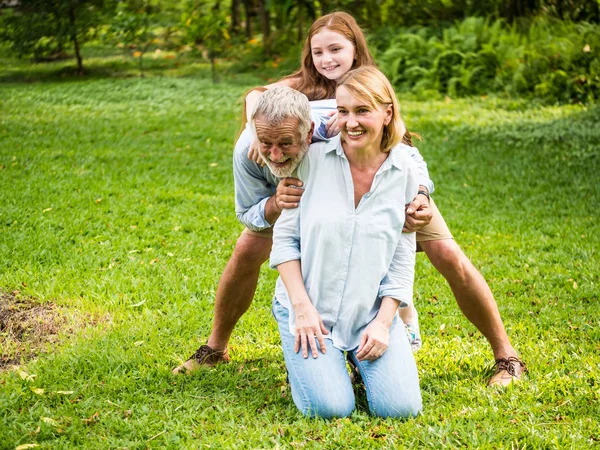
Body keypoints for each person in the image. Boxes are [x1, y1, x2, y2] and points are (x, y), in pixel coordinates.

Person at [173, 12, 525, 387]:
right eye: (318, 51)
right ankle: (215, 347)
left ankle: (506, 356)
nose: (327, 59)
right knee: (247, 251)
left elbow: (403, 149)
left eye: (336, 49)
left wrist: (420, 193)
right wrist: (257, 130)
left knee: (449, 255)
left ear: (356, 48)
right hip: (307, 192)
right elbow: (258, 97)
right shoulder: (297, 90)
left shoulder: (371, 87)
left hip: (383, 186)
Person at [270, 68, 422, 418]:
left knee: (400, 409)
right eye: (343, 111)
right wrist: (302, 309)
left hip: (367, 313)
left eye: (362, 111)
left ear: (387, 113)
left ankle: (355, 356)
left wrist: (384, 323)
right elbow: (285, 242)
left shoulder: (405, 172)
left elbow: (401, 259)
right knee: (330, 408)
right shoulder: (310, 162)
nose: (350, 122)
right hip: (309, 309)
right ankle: (312, 365)